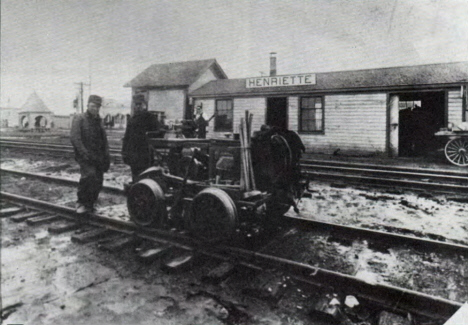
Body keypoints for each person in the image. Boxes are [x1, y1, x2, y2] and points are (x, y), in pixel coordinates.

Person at [70, 95, 110, 214]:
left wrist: (106, 156)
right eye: (92, 106)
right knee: (89, 176)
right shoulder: (80, 118)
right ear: (88, 106)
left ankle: (91, 203)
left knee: (98, 180)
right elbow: (75, 138)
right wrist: (84, 153)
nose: (95, 109)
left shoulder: (99, 121)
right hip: (85, 156)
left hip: (98, 156)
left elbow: (104, 140)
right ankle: (81, 202)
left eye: (97, 107)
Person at [122, 94, 162, 182]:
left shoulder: (150, 117)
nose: (138, 106)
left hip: (145, 155)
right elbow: (126, 137)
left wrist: (149, 135)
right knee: (136, 177)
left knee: (146, 177)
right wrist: (124, 153)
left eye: (140, 104)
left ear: (144, 105)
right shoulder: (132, 119)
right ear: (133, 105)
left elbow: (159, 132)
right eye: (136, 104)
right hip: (133, 155)